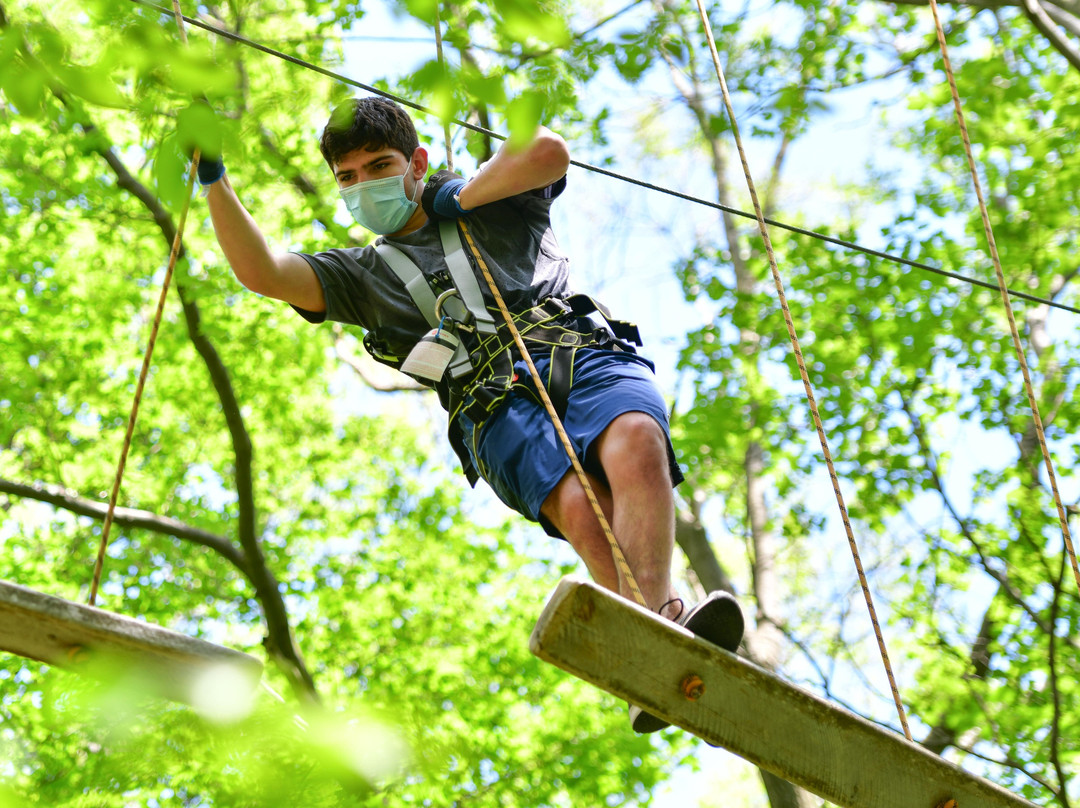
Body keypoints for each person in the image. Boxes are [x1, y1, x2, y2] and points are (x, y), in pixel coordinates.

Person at [191, 96, 743, 732]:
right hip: (492, 403)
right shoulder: (359, 276)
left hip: (573, 347)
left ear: (416, 163)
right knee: (577, 504)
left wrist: (463, 195)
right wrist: (214, 179)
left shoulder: (491, 197)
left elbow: (549, 151)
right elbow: (262, 272)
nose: (365, 184)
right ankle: (657, 634)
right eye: (348, 177)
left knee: (637, 439)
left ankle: (654, 631)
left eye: (380, 166)